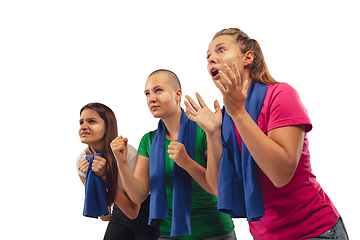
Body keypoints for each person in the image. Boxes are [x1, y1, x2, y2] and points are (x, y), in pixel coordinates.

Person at [185, 28, 348, 240]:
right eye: (208, 58)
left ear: (248, 58)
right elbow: (219, 189)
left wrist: (239, 114)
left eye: (221, 50)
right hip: (265, 235)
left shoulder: (281, 94)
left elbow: (281, 174)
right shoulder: (227, 117)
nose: (211, 60)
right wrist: (213, 133)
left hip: (313, 231)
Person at [110, 70, 236, 240]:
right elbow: (138, 195)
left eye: (158, 90)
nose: (151, 98)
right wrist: (122, 163)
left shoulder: (205, 131)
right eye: (147, 93)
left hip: (215, 233)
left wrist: (186, 162)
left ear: (178, 94)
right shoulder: (148, 141)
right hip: (170, 234)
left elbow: (220, 188)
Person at [76, 102, 160, 240]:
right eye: (81, 122)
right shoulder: (82, 161)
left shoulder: (128, 155)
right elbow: (105, 215)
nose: (83, 126)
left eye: (91, 121)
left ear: (107, 126)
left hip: (147, 210)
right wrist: (94, 179)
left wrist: (105, 177)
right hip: (120, 209)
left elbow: (133, 212)